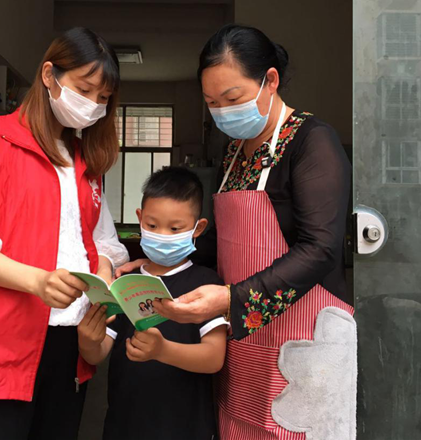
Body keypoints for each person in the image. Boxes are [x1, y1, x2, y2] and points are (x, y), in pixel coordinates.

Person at [117, 24, 356, 439]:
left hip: (303, 339)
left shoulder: (311, 142)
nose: (223, 112)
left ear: (270, 81)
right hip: (244, 342)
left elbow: (321, 248)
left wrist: (232, 299)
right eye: (212, 103)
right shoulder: (233, 154)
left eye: (232, 98)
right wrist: (151, 255)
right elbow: (223, 242)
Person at [0, 27, 129, 440]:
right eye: (85, 90)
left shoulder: (86, 163)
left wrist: (104, 284)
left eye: (103, 98)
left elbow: (103, 243)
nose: (93, 106)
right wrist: (37, 281)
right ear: (48, 75)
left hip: (67, 345)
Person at [78, 167, 228, 440]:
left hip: (185, 429)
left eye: (175, 228)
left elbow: (214, 358)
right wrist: (88, 341)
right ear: (139, 218)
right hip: (125, 425)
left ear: (198, 228)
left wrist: (163, 350)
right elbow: (98, 353)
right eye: (152, 225)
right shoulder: (126, 283)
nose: (162, 235)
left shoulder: (207, 285)